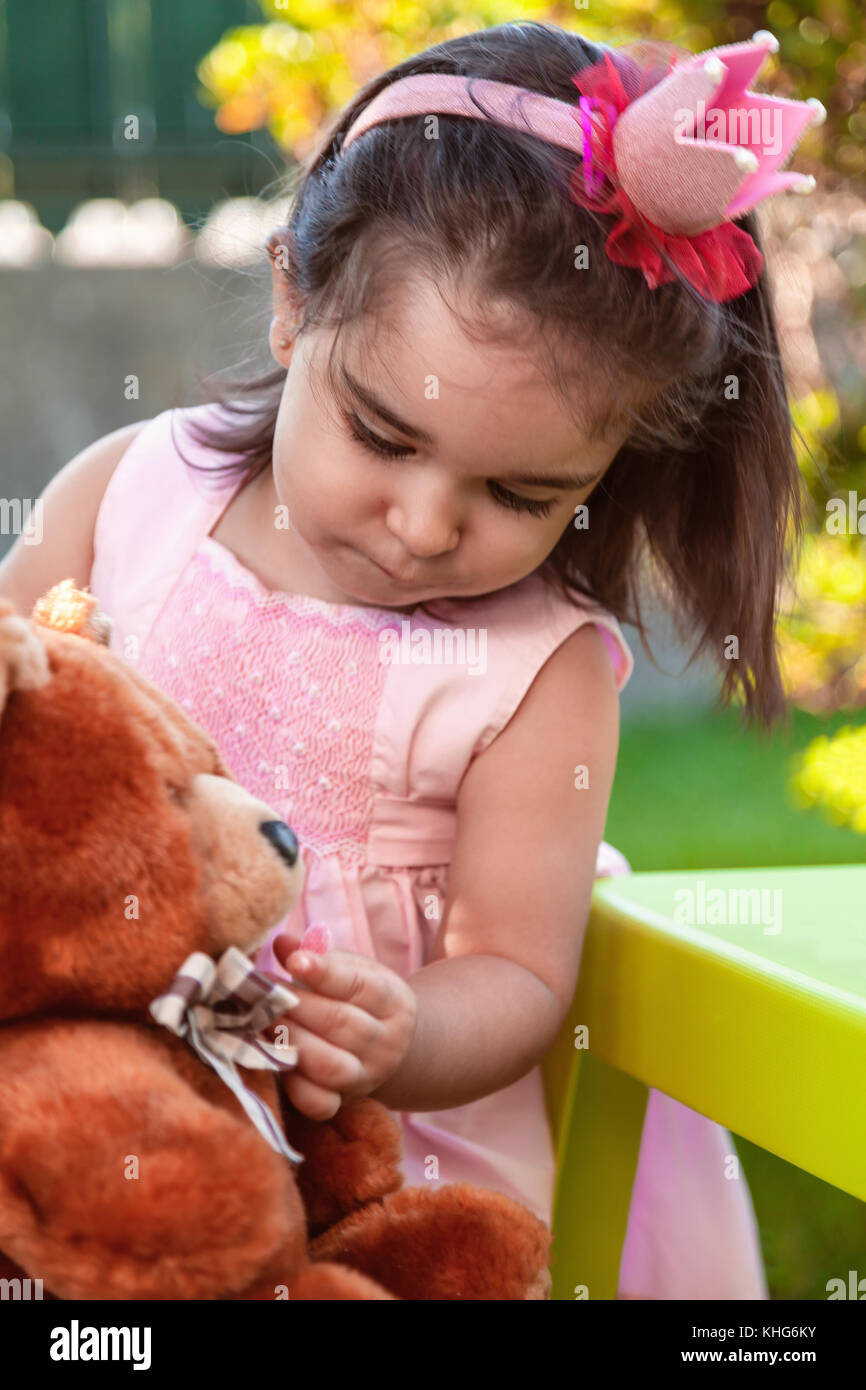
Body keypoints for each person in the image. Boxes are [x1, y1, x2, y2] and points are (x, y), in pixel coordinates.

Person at [0, 22, 822, 1299]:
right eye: (382, 435)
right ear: (292, 301)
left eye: (520, 491)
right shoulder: (126, 494)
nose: (427, 522)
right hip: (82, 1068)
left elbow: (519, 969)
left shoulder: (535, 673)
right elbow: (22, 701)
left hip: (370, 1157)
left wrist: (402, 1028)